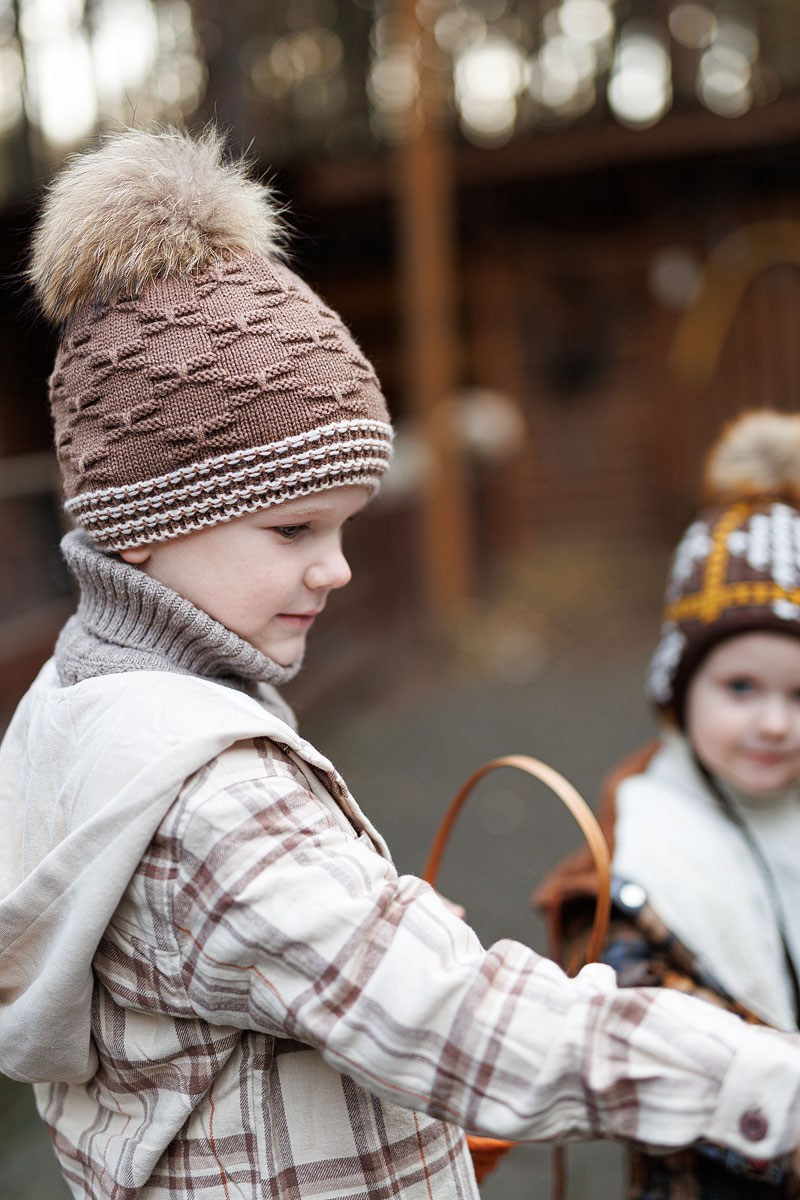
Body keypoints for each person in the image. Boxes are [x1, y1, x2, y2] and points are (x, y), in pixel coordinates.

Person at [2, 128, 800, 1200]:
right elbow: (461, 1023)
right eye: (292, 531)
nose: (333, 569)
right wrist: (759, 1081)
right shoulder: (204, 802)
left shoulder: (79, 701)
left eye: (342, 527)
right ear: (146, 522)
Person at [536, 409, 800, 1198]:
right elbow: (631, 1026)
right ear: (680, 691)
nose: (775, 723)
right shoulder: (641, 846)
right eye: (740, 687)